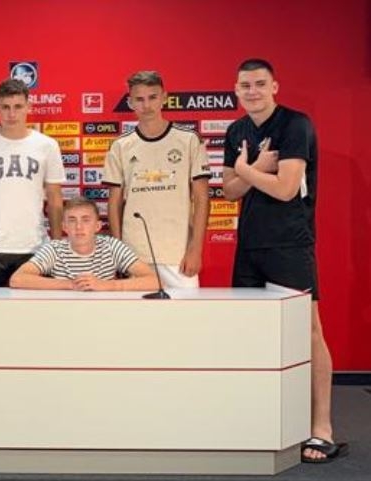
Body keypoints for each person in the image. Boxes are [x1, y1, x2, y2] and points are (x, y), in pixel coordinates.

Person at [221, 58, 343, 463]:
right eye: (245, 85)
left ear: (274, 86)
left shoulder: (295, 124)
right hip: (249, 247)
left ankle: (321, 428)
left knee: (308, 332)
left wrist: (244, 170)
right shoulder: (237, 130)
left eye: (259, 84)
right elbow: (229, 192)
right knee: (250, 336)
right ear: (236, 90)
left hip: (290, 244)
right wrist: (254, 168)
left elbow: (286, 188)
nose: (252, 91)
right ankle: (260, 422)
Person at [103, 71, 210, 288]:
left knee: (185, 310)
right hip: (135, 255)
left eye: (152, 97)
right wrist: (119, 252)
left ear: (164, 97)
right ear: (130, 102)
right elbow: (114, 203)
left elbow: (202, 199)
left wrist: (195, 249)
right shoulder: (120, 146)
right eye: (139, 99)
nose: (147, 105)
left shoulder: (189, 140)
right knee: (137, 311)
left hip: (178, 254)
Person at [0, 79, 66, 287]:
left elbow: (55, 198)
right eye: (6, 107)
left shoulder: (46, 145)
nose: (12, 114)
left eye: (18, 107)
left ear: (29, 107)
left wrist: (56, 245)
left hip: (34, 246)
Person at [9, 197, 156, 290]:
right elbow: (17, 279)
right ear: (64, 227)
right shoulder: (54, 248)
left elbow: (154, 281)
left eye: (86, 220)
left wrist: (106, 285)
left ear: (97, 226)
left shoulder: (112, 246)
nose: (79, 227)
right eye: (72, 220)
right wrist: (71, 284)